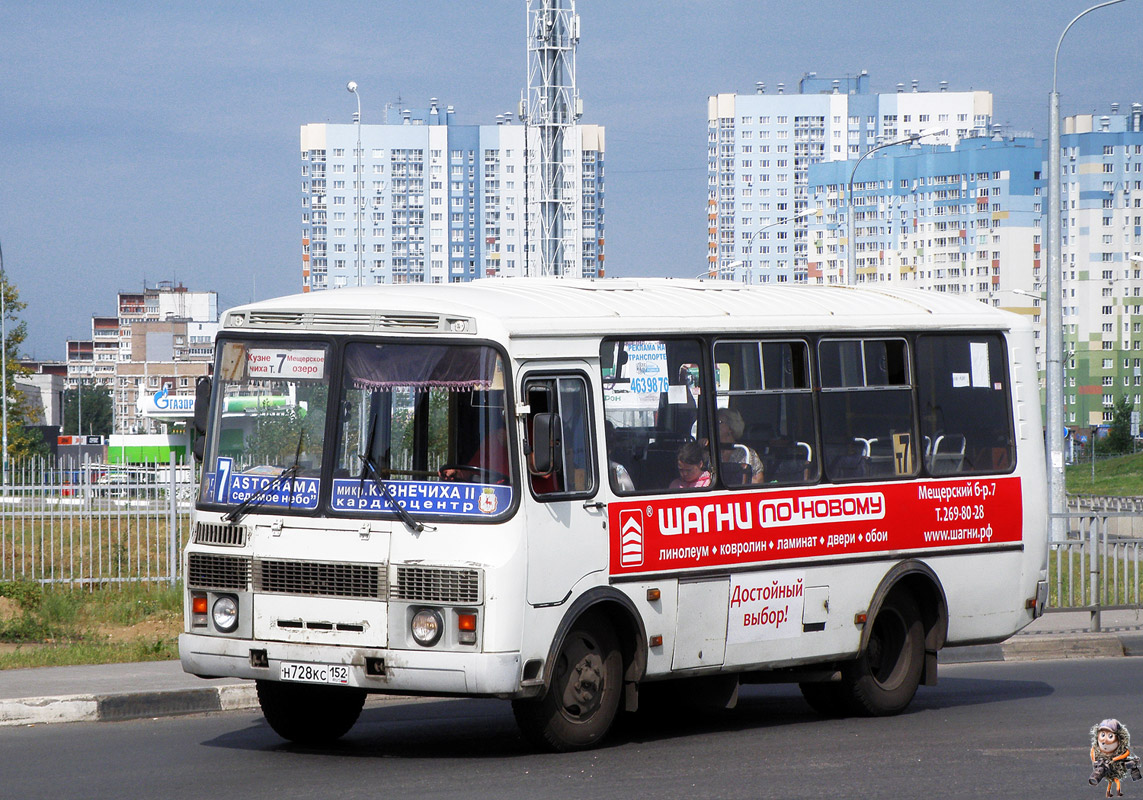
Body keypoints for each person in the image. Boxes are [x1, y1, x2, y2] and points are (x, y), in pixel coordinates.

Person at [716, 408, 764, 484]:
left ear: (730, 427)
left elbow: (758, 481)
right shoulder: (709, 451)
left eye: (719, 422)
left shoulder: (747, 453)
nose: (715, 425)